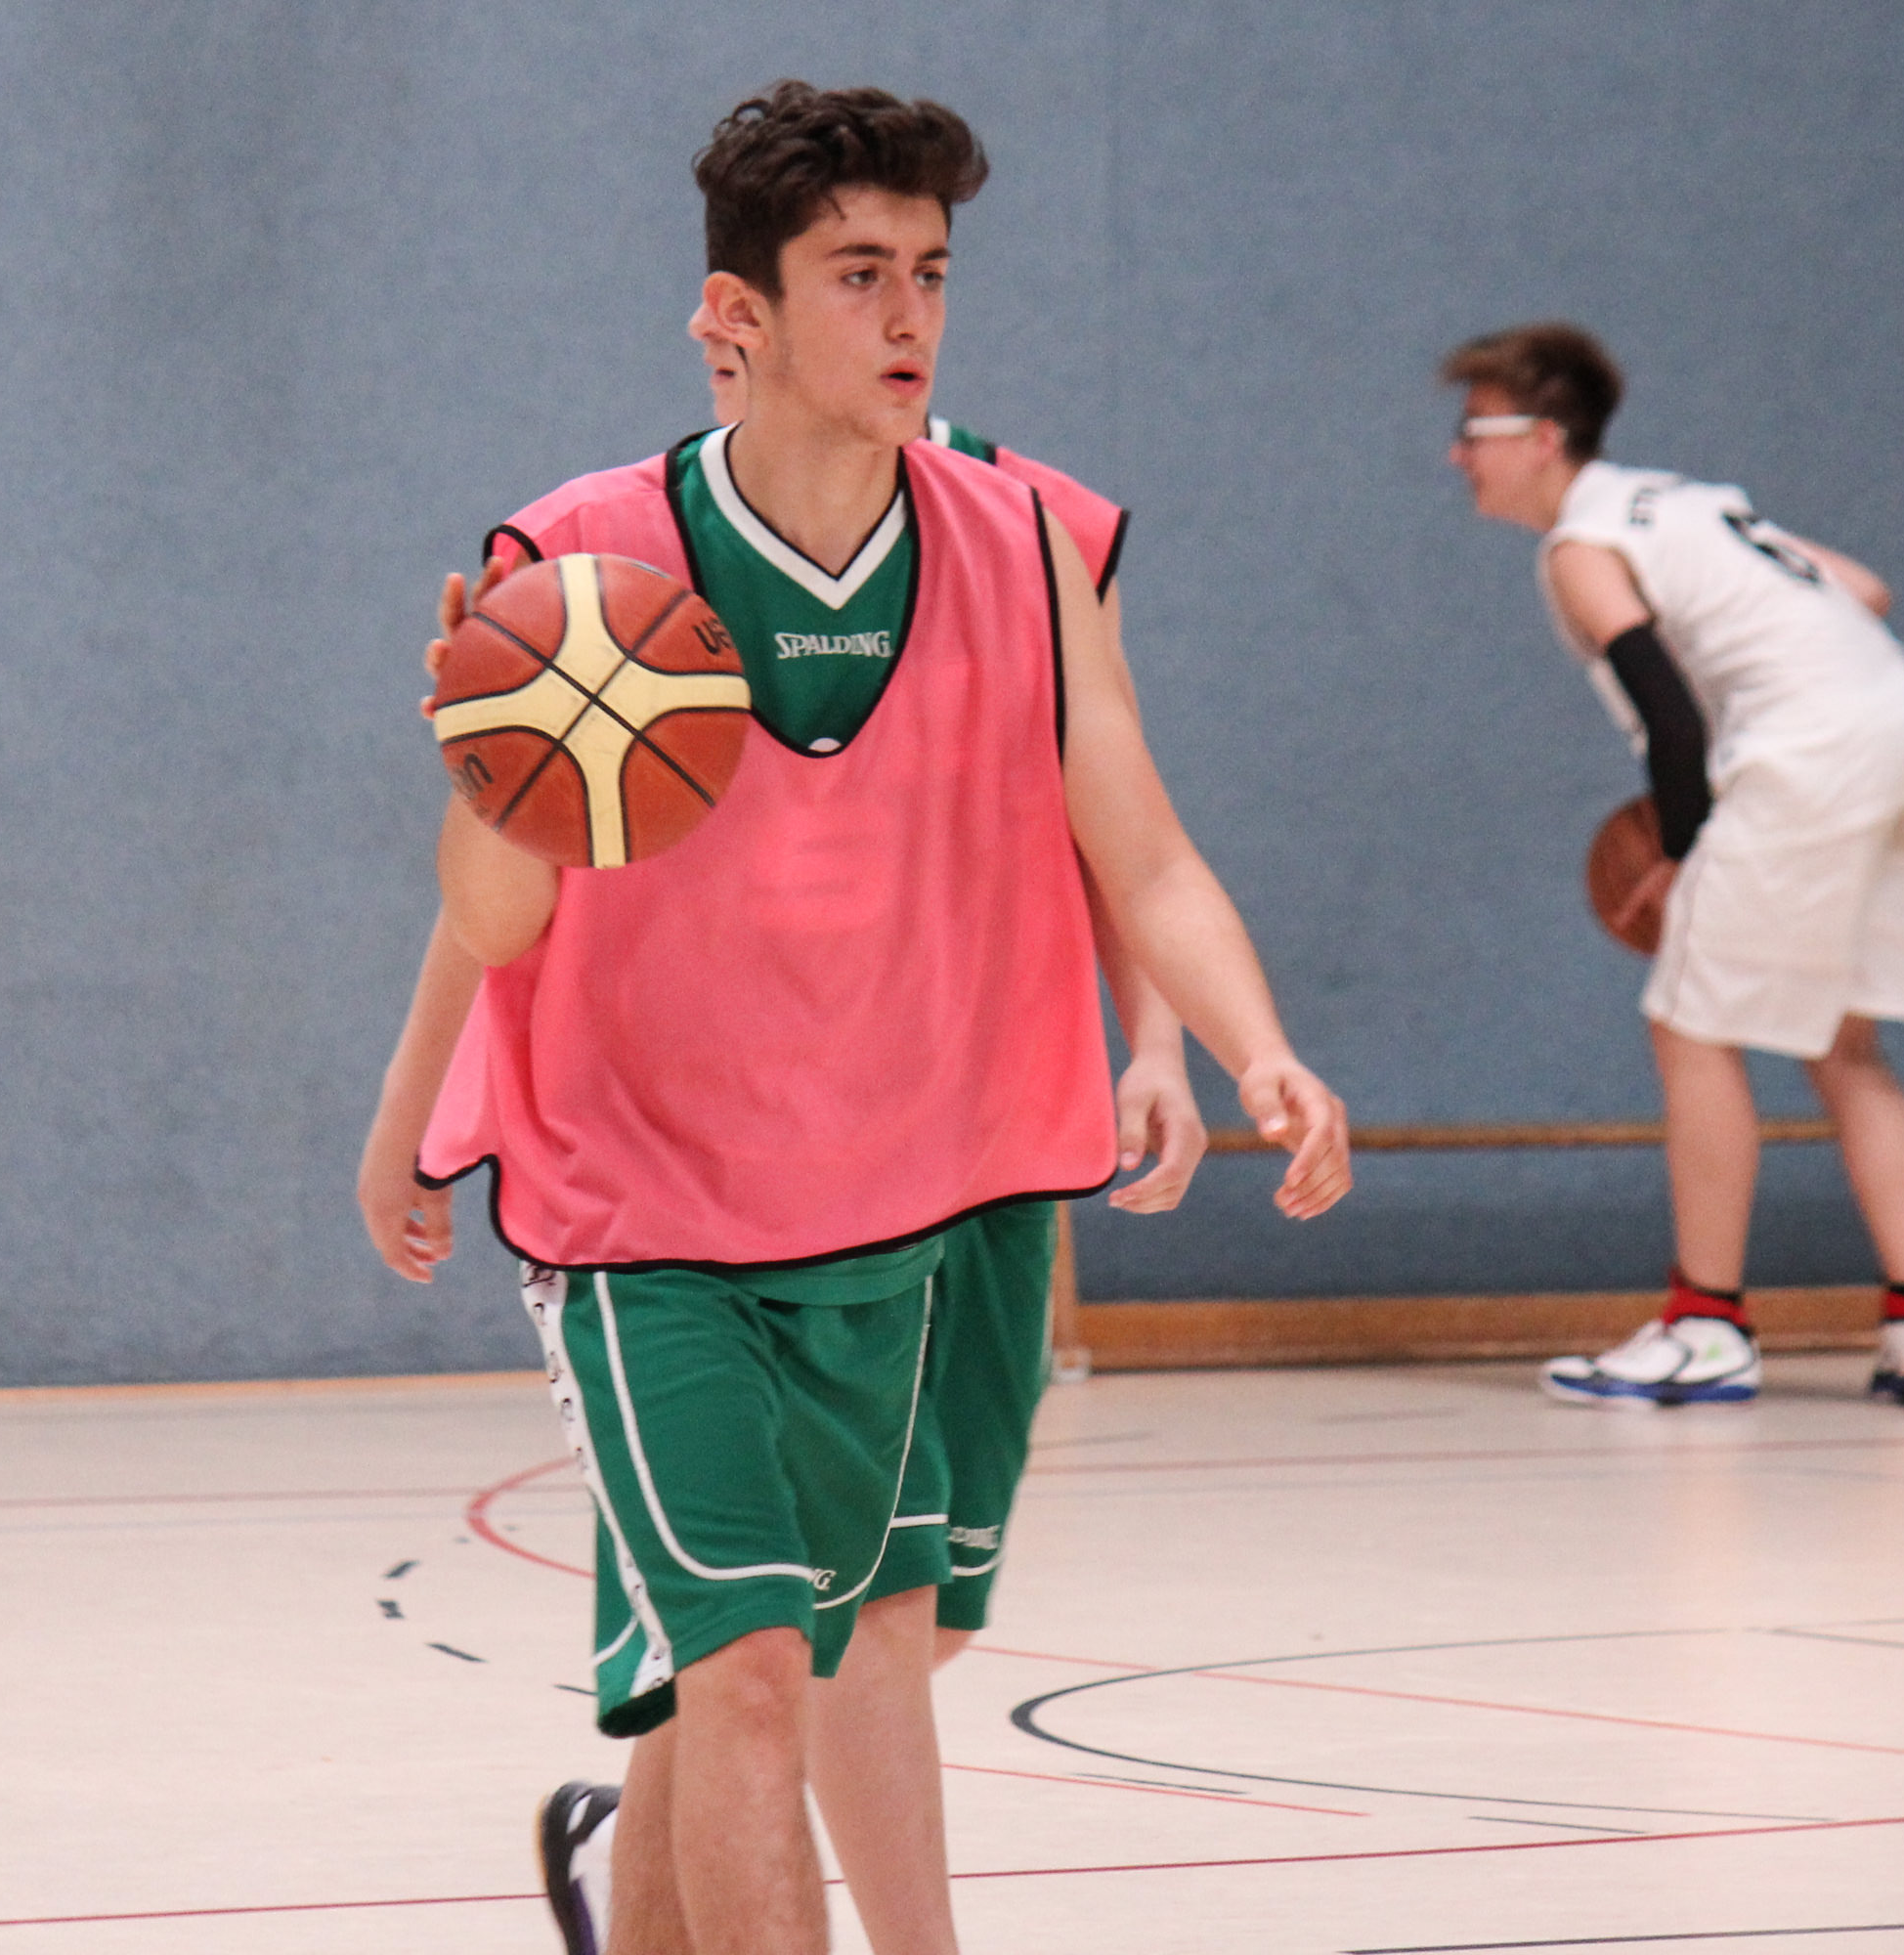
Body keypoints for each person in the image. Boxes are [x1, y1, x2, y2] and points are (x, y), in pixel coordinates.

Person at [391, 82, 1352, 1955]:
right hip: (641, 1218)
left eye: (930, 272)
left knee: (763, 1680)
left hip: (892, 1210)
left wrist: (1255, 1047)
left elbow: (1144, 851)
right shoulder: (584, 557)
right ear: (734, 316)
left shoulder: (1019, 539)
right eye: (858, 275)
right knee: (754, 1676)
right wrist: (490, 771)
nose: (910, 315)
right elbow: (497, 925)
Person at [1441, 322, 1904, 1412]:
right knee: (1844, 1040)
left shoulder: (1582, 548)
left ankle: (1707, 1324)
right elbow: (1864, 589)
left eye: (1474, 431)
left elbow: (1672, 720)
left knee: (1690, 1024)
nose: (1458, 454)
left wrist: (1685, 854)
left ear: (1542, 439)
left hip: (1806, 759)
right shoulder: (1684, 502)